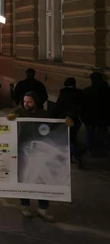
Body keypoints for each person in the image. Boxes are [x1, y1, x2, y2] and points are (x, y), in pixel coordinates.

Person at [7, 91, 73, 222]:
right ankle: (25, 206)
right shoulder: (18, 112)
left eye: (29, 101)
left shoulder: (43, 114)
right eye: (25, 101)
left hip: (41, 151)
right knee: (25, 178)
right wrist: (9, 118)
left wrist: (66, 124)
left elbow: (53, 126)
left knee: (43, 180)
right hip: (22, 150)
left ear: (36, 102)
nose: (26, 104)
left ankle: (43, 209)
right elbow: (7, 123)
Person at [55, 77, 84, 168]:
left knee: (69, 139)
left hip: (66, 119)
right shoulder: (80, 93)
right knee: (73, 138)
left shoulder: (64, 94)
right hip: (76, 119)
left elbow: (58, 107)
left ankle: (75, 156)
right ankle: (73, 156)